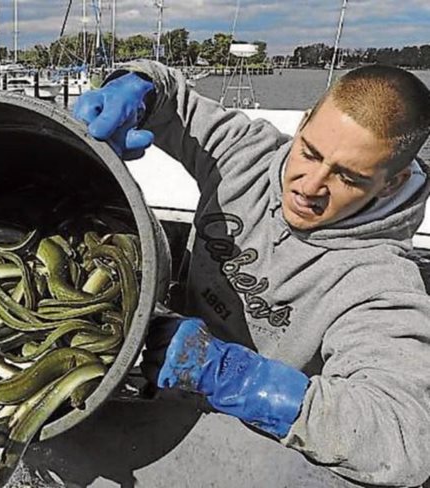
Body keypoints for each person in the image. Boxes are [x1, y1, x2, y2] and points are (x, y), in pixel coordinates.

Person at [73, 61, 430, 487]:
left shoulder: (379, 283)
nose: (309, 186)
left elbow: (403, 439)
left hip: (253, 448)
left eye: (348, 177)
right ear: (302, 124)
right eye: (310, 153)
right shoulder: (248, 155)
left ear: (392, 183)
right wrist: (136, 88)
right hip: (149, 389)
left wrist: (232, 375)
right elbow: (174, 99)